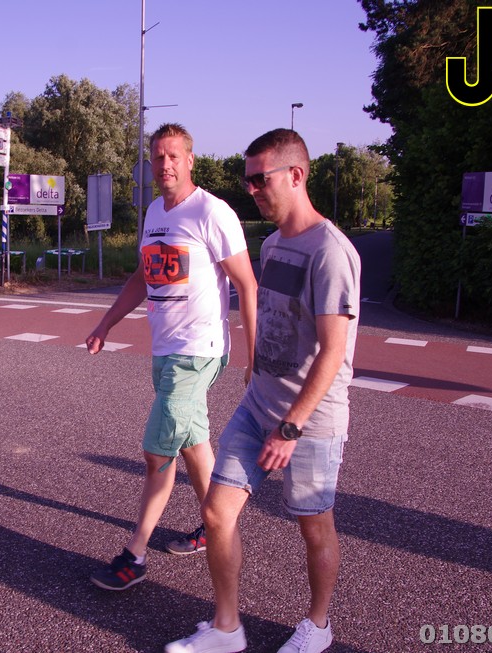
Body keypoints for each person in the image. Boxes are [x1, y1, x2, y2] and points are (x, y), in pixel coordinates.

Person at [166, 129, 361, 653]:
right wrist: (254, 368)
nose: (251, 190)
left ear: (295, 176)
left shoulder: (330, 252)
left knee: (313, 527)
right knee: (216, 512)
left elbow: (333, 352)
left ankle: (318, 625)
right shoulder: (273, 244)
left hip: (309, 421)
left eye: (260, 180)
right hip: (258, 408)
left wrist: (291, 427)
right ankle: (227, 628)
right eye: (247, 181)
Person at [86, 123, 257, 591]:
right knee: (191, 443)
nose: (165, 165)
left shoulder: (212, 212)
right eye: (158, 157)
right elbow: (143, 278)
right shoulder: (154, 212)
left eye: (174, 156)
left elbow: (247, 285)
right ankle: (215, 522)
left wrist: (254, 357)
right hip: (165, 350)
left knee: (156, 452)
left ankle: (135, 556)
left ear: (190, 160)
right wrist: (106, 324)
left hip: (198, 352)